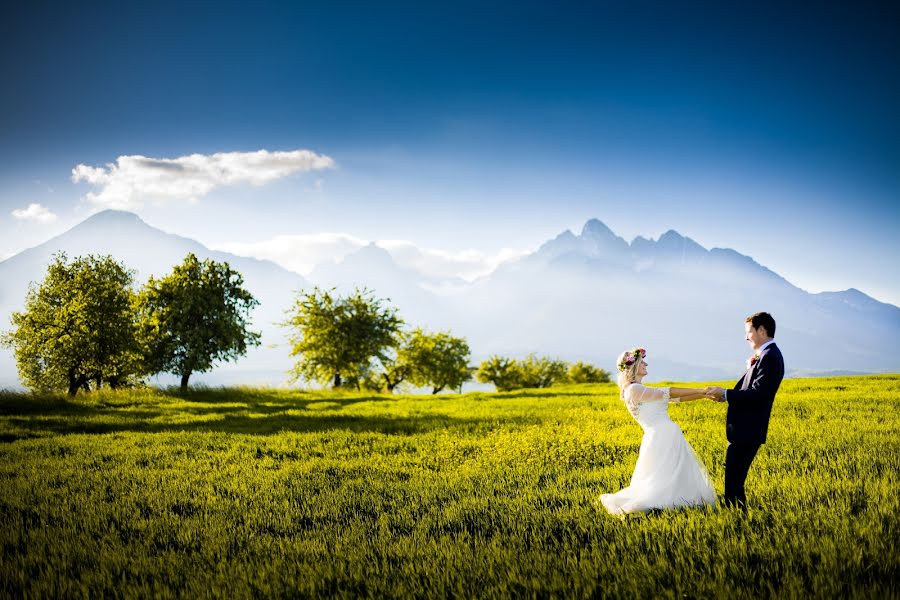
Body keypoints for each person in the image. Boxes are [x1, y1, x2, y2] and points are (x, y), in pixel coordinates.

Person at [598, 347, 716, 516]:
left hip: (666, 436)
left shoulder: (639, 389)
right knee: (661, 476)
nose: (646, 364)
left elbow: (676, 398)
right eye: (642, 362)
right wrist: (701, 390)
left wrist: (704, 395)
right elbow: (668, 391)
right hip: (660, 438)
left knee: (671, 473)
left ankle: (678, 503)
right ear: (634, 366)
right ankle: (661, 505)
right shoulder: (634, 389)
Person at [705, 312, 784, 509]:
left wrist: (725, 394)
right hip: (746, 430)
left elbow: (758, 395)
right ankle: (738, 520)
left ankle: (736, 522)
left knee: (733, 483)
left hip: (748, 430)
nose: (746, 337)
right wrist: (750, 368)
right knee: (734, 483)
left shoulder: (770, 357)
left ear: (762, 330)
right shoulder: (765, 356)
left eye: (748, 332)